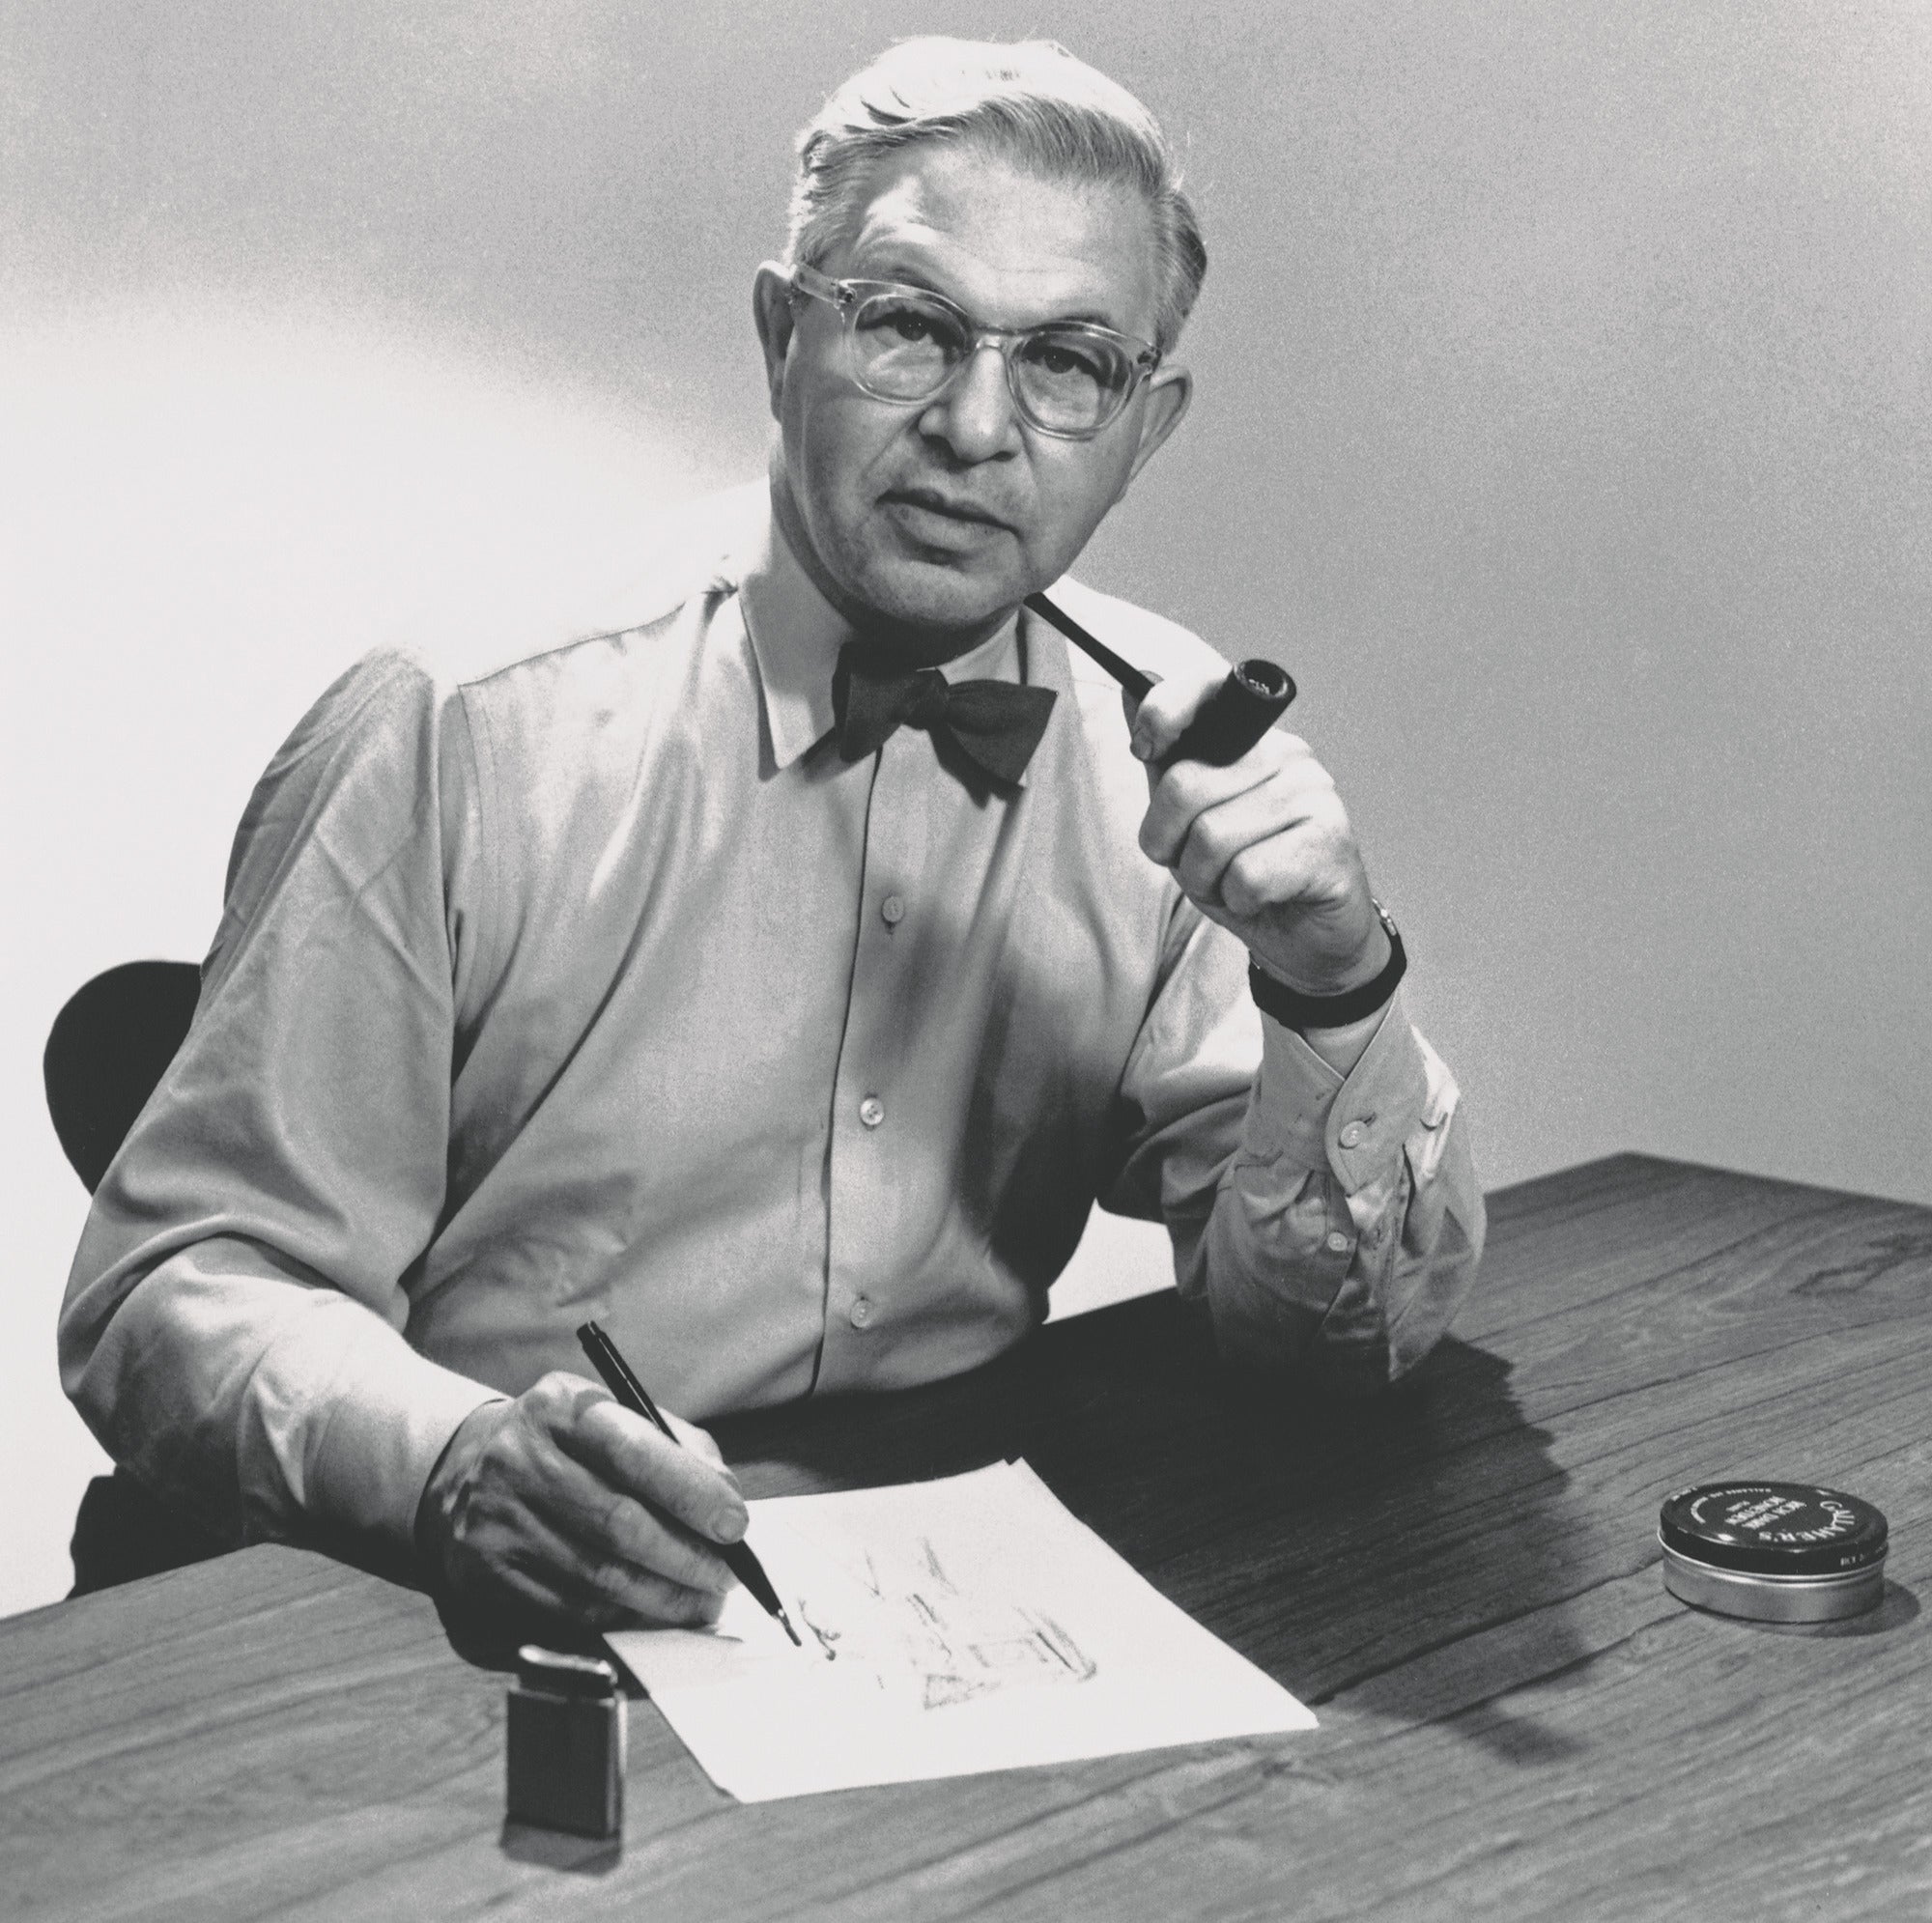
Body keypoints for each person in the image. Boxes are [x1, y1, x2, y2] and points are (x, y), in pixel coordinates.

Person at [61, 38, 1484, 1627]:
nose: (976, 428)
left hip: (949, 1603)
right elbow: (171, 1291)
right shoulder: (460, 723)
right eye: (909, 327)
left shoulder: (1163, 757)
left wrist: (1334, 980)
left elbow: (1330, 1349)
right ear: (779, 338)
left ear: (1144, 429)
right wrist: (454, 1463)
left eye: (1069, 362)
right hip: (463, 1608)